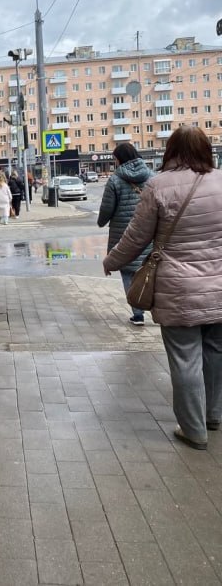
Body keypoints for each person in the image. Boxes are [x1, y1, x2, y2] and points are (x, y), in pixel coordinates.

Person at [103, 126, 222, 451]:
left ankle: (194, 430)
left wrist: (112, 261)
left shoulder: (159, 186)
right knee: (215, 352)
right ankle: (213, 415)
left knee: (186, 359)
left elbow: (136, 237)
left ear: (170, 150)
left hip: (178, 289)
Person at [97, 142, 154, 325]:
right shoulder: (152, 177)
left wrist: (101, 221)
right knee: (151, 271)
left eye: (115, 159)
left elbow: (107, 207)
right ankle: (156, 310)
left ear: (120, 159)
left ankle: (138, 314)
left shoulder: (115, 179)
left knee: (129, 273)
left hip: (124, 234)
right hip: (149, 232)